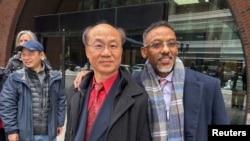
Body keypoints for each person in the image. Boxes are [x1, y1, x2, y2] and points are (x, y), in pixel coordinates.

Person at [74, 21, 229, 141]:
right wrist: (88, 76)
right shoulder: (129, 85)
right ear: (144, 52)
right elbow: (105, 78)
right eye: (156, 44)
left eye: (171, 44)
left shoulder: (208, 86)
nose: (166, 50)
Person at [64, 22, 151, 141]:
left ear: (121, 50)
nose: (106, 53)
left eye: (113, 46)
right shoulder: (76, 92)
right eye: (98, 45)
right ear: (87, 51)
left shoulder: (138, 98)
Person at [0, 40, 66, 141]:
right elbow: (7, 105)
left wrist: (59, 122)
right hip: (24, 135)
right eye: (23, 55)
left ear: (42, 55)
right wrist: (12, 130)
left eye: (30, 54)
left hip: (48, 135)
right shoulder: (15, 78)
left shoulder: (54, 77)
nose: (26, 58)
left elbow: (61, 101)